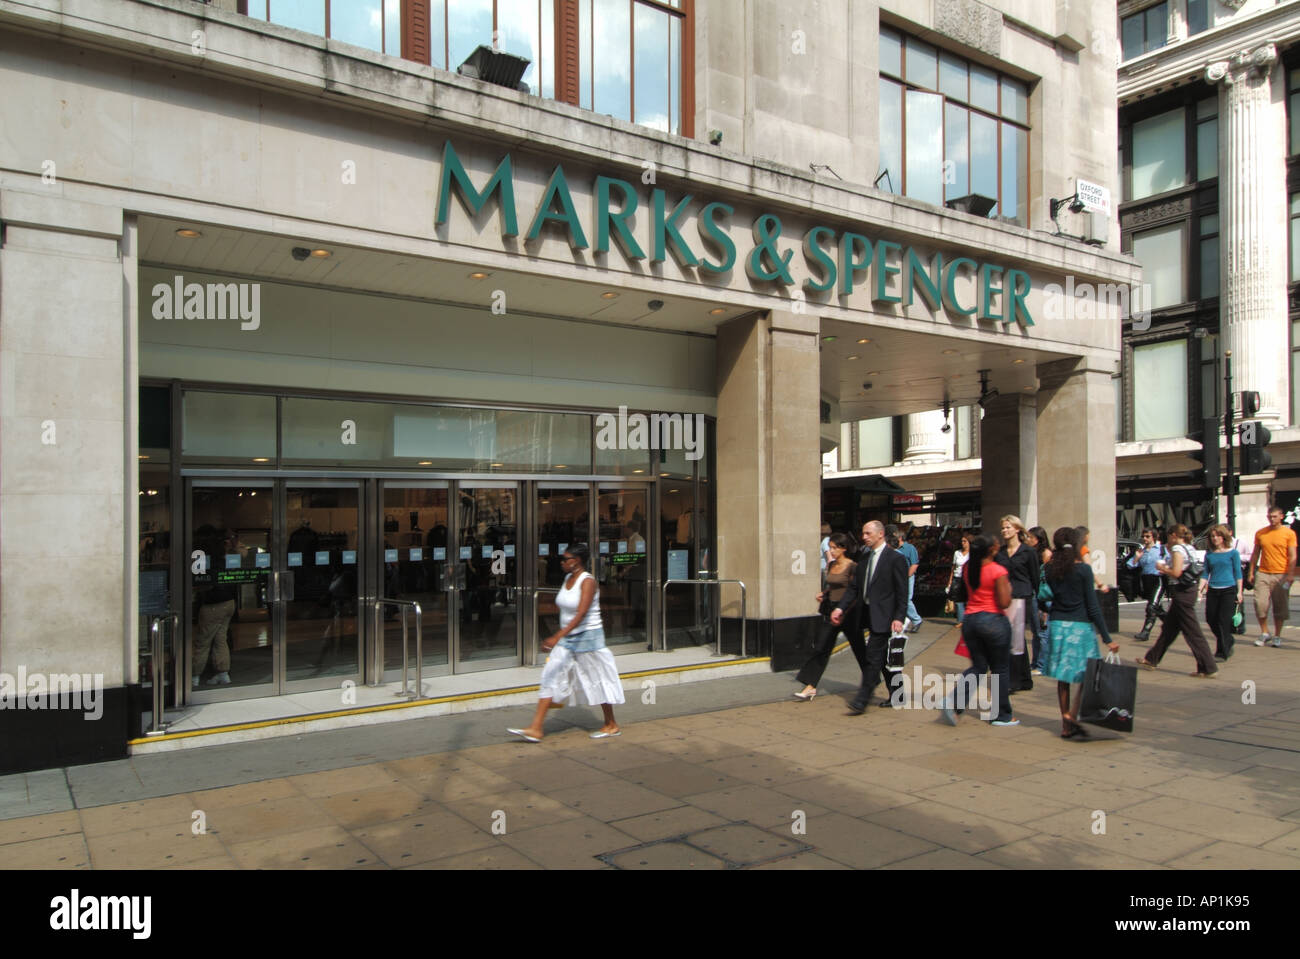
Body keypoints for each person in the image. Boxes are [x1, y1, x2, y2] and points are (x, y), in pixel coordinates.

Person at [508, 545, 624, 742]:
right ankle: (536, 728)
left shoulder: (587, 581)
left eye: (565, 559)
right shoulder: (566, 579)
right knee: (550, 675)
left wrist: (556, 636)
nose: (561, 562)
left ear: (576, 561)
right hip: (568, 640)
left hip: (588, 639)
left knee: (598, 680)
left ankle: (611, 724)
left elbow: (581, 613)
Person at [1040, 527, 1120, 738]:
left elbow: (1042, 596)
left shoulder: (1050, 569)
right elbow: (1093, 606)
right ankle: (1072, 716)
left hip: (1057, 626)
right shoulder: (1083, 570)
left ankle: (1066, 721)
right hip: (1080, 626)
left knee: (1063, 678)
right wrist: (1107, 637)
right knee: (1089, 674)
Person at [941, 534, 1018, 727]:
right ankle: (1002, 715)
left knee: (978, 666)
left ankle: (954, 702)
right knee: (1000, 668)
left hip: (971, 621)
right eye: (996, 545)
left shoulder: (968, 568)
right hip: (994, 621)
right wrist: (1008, 588)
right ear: (991, 550)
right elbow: (1004, 602)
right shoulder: (997, 570)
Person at [831, 521, 907, 715]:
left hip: (885, 616)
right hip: (865, 614)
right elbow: (854, 588)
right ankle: (897, 695)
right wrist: (840, 608)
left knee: (872, 657)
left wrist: (899, 617)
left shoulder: (895, 559)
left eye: (867, 533)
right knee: (881, 659)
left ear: (880, 534)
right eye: (863, 533)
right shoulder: (864, 558)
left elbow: (901, 592)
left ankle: (861, 700)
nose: (864, 537)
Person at [1137, 525, 1217, 677]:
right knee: (1169, 628)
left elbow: (1176, 572)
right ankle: (1151, 659)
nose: (1167, 539)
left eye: (1168, 536)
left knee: (1192, 632)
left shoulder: (1177, 550)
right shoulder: (1190, 548)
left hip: (1182, 592)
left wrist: (1163, 568)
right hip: (1189, 589)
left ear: (1173, 535)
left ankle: (1208, 667)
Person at [794, 533, 860, 700]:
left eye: (834, 548)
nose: (831, 551)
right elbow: (831, 586)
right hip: (831, 611)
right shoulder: (831, 566)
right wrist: (823, 594)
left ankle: (872, 678)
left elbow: (854, 590)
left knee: (859, 648)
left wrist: (844, 610)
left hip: (847, 612)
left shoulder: (853, 566)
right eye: (829, 547)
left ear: (843, 548)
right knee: (821, 647)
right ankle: (810, 685)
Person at [995, 515, 1039, 692]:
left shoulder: (1028, 552)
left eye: (1008, 527)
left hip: (1023, 597)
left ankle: (1013, 681)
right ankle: (1024, 678)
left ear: (1017, 529)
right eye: (1003, 528)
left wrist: (1040, 603)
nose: (1005, 531)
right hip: (1005, 599)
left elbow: (1035, 578)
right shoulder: (1000, 553)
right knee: (1012, 638)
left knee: (1016, 639)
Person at [1246, 506, 1296, 648]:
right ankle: (1265, 632)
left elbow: (1292, 555)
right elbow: (1255, 553)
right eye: (1270, 516)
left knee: (1280, 606)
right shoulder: (1261, 533)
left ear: (1281, 516)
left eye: (1274, 516)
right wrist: (1251, 571)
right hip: (1263, 572)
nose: (1272, 519)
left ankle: (1277, 635)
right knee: (1260, 603)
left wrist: (1291, 574)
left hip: (1281, 574)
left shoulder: (1289, 533)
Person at [1199, 524, 1242, 662]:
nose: (1214, 538)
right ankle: (1228, 640)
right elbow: (1205, 573)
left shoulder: (1233, 553)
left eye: (1217, 535)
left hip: (1228, 590)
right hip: (1213, 590)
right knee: (1211, 619)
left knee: (1223, 621)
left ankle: (1222, 652)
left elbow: (1238, 573)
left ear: (1223, 537)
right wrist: (1200, 589)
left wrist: (1239, 592)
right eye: (1212, 536)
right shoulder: (1209, 554)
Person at [1128, 528, 1169, 642]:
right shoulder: (1141, 551)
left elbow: (1171, 562)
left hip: (1159, 580)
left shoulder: (1161, 550)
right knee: (1157, 608)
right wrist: (1137, 558)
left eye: (1148, 536)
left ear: (1154, 537)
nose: (1145, 539)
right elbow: (1130, 565)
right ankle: (1173, 624)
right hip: (1146, 581)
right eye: (1144, 536)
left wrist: (1166, 569)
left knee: (1151, 607)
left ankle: (1145, 632)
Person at [1026, 525, 1051, 674]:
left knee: (1041, 631)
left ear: (1038, 539)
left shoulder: (1045, 554)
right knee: (1036, 631)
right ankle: (1035, 663)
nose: (1028, 539)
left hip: (1040, 594)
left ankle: (1041, 665)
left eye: (1030, 537)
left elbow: (1047, 577)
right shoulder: (1031, 553)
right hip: (1032, 594)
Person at [888, 525, 923, 632]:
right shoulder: (893, 549)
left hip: (907, 577)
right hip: (896, 577)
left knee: (906, 599)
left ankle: (916, 620)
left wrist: (906, 577)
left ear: (899, 538)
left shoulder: (910, 548)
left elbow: (914, 564)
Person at [947, 535, 971, 624]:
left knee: (968, 599)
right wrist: (950, 580)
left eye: (965, 541)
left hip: (967, 578)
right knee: (958, 599)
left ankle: (968, 619)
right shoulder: (957, 553)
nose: (963, 543)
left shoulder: (972, 553)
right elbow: (953, 567)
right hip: (957, 578)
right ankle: (960, 620)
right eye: (962, 541)